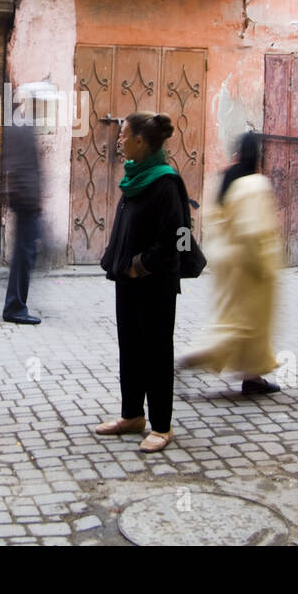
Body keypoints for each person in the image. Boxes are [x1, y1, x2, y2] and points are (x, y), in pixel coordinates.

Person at [95, 112, 187, 453]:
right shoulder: (134, 178)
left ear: (140, 142)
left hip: (156, 286)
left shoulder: (166, 182)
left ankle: (162, 426)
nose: (119, 140)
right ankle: (132, 416)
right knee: (130, 350)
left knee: (157, 354)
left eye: (124, 134)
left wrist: (141, 265)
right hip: (128, 283)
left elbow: (180, 238)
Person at [177, 132, 285, 395]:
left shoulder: (225, 178)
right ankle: (189, 359)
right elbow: (253, 231)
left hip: (226, 261)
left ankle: (253, 377)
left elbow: (214, 220)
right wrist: (264, 266)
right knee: (244, 324)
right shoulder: (255, 185)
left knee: (239, 320)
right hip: (248, 264)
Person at [1, 88, 43, 325]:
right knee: (24, 256)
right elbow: (19, 169)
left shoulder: (22, 126)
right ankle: (15, 307)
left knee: (25, 254)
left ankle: (16, 304)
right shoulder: (22, 128)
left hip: (26, 201)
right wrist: (32, 201)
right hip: (26, 202)